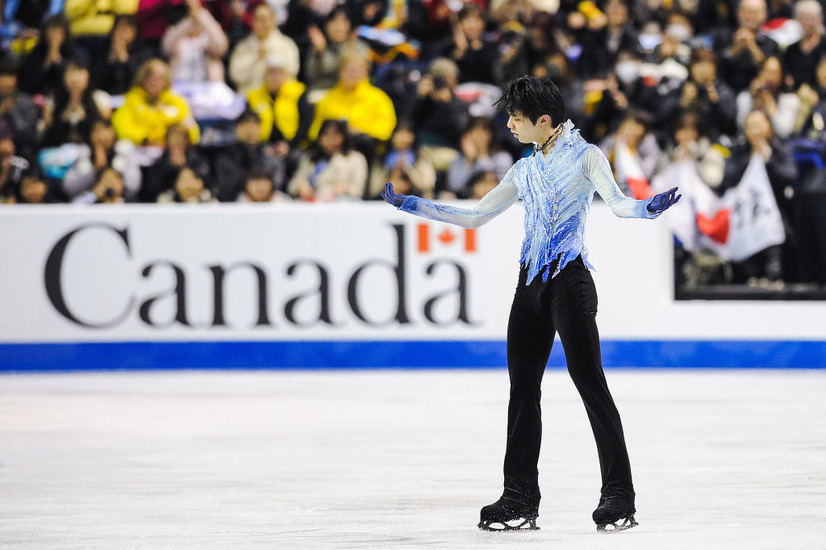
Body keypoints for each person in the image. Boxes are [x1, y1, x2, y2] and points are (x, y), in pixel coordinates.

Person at [379, 75, 680, 532]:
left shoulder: (586, 156)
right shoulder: (524, 168)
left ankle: (619, 494)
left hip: (570, 282)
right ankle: (519, 495)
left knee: (589, 383)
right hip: (530, 286)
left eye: (516, 118)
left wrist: (648, 209)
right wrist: (413, 205)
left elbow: (618, 204)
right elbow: (477, 215)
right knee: (522, 390)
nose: (509, 125)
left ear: (544, 119)